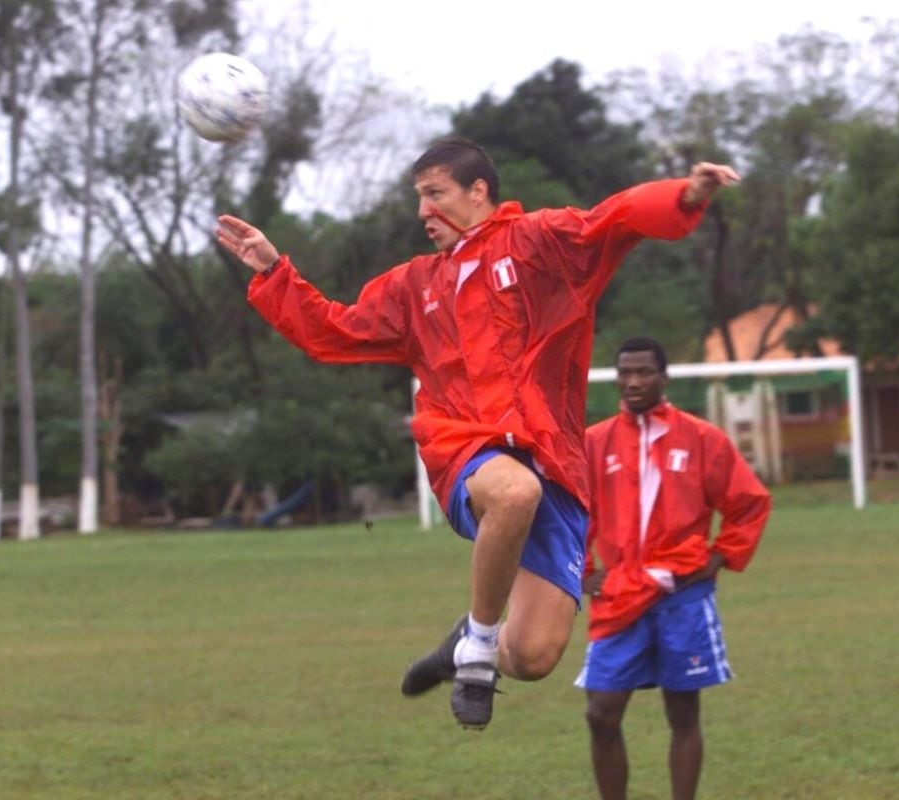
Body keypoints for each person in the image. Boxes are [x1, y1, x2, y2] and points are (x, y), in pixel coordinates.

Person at [215, 137, 740, 730]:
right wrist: (271, 270)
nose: (422, 213)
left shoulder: (542, 243)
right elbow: (333, 331)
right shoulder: (415, 286)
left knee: (537, 655)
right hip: (463, 451)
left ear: (479, 191)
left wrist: (685, 194)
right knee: (514, 493)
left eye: (434, 194)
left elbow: (613, 219)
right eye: (418, 198)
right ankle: (480, 651)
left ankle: (470, 637)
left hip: (555, 466)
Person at [577, 336, 771, 799]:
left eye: (644, 372)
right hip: (621, 591)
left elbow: (749, 502)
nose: (633, 381)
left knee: (682, 712)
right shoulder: (594, 442)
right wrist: (581, 572)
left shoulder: (702, 439)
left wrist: (721, 554)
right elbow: (571, 512)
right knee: (600, 713)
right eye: (625, 372)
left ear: (663, 377)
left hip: (681, 593)